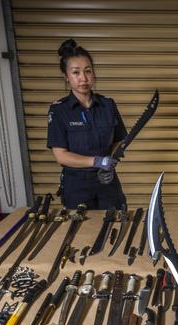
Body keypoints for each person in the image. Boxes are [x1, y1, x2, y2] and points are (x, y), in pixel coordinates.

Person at [47, 39, 128, 209]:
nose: (83, 78)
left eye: (88, 71)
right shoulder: (59, 110)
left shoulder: (108, 105)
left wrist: (110, 162)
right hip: (77, 186)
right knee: (81, 232)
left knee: (116, 225)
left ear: (93, 73)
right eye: (76, 72)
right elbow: (60, 155)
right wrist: (97, 161)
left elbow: (119, 140)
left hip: (108, 182)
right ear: (66, 77)